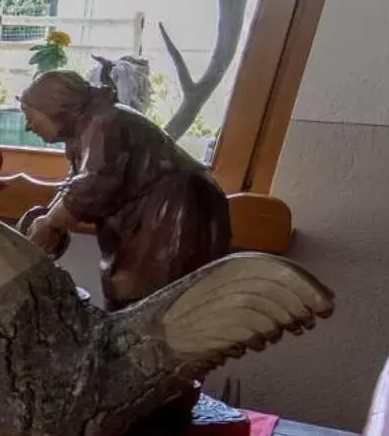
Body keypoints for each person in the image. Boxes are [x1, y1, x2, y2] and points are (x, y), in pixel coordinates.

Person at [16, 69, 232, 309]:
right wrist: (49, 219)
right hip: (160, 213)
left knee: (153, 304)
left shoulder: (105, 124)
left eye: (31, 117)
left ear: (55, 107)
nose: (29, 126)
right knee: (134, 300)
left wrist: (51, 222)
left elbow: (94, 184)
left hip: (176, 214)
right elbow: (77, 182)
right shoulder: (89, 127)